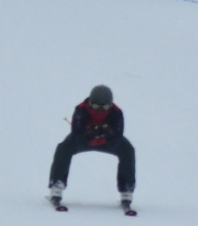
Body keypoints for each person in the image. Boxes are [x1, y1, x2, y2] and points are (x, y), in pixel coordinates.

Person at [48, 85, 136, 215]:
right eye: (95, 106)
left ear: (110, 105)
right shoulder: (81, 110)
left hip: (106, 141)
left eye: (104, 107)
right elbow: (76, 134)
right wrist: (88, 136)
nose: (100, 110)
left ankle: (126, 188)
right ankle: (57, 183)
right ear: (90, 102)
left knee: (127, 149)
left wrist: (108, 135)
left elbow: (118, 136)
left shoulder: (117, 112)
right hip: (85, 140)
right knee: (64, 148)